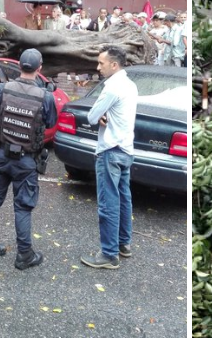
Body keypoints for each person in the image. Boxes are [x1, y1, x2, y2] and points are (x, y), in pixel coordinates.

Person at [0, 49, 57, 270]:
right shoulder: (45, 96)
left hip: (1, 157)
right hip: (26, 161)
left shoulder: (2, 89)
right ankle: (24, 255)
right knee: (22, 208)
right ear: (40, 68)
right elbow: (50, 123)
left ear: (19, 66)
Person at [81, 46, 137, 269]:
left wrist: (100, 114)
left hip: (110, 150)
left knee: (108, 203)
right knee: (124, 198)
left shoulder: (112, 87)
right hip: (126, 148)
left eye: (101, 63)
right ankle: (124, 244)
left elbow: (92, 116)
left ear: (114, 65)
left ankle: (109, 254)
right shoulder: (130, 85)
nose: (98, 67)